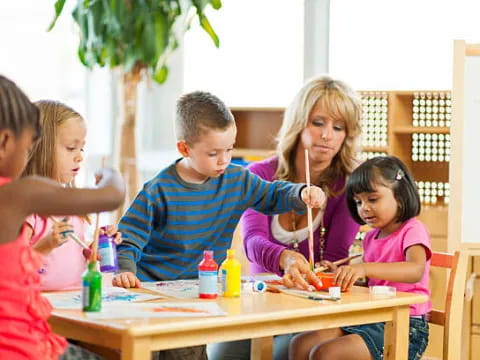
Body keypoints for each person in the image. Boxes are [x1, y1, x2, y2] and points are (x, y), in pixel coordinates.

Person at [112, 90, 326, 360]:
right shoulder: (158, 190)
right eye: (214, 153)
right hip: (151, 296)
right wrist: (126, 271)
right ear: (184, 148)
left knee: (188, 352)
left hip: (198, 295)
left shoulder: (237, 180)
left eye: (230, 149)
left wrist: (301, 193)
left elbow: (272, 195)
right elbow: (129, 237)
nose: (225, 160)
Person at [207, 75, 363, 360]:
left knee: (281, 354)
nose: (327, 135)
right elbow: (252, 243)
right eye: (318, 123)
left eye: (338, 127)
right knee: (221, 355)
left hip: (315, 310)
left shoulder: (350, 183)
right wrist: (286, 259)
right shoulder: (259, 175)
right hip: (262, 304)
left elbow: (336, 255)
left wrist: (321, 271)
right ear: (298, 123)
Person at [0, 74, 125, 359]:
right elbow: (112, 195)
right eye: (29, 142)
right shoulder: (21, 195)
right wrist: (108, 175)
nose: (80, 157)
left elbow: (13, 266)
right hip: (25, 347)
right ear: (7, 141)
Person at [289, 155, 431, 360]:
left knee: (326, 353)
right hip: (372, 316)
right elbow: (373, 283)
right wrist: (340, 274)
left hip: (405, 325)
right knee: (301, 343)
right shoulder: (372, 236)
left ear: (400, 197)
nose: (363, 208)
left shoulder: (413, 229)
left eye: (372, 199)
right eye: (358, 201)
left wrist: (364, 267)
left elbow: (415, 271)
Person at [22, 100, 121, 291]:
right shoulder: (26, 208)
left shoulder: (73, 206)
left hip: (76, 299)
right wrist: (47, 245)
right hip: (43, 305)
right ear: (40, 147)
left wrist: (95, 247)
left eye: (81, 148)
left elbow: (73, 257)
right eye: (70, 148)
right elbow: (13, 266)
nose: (80, 157)